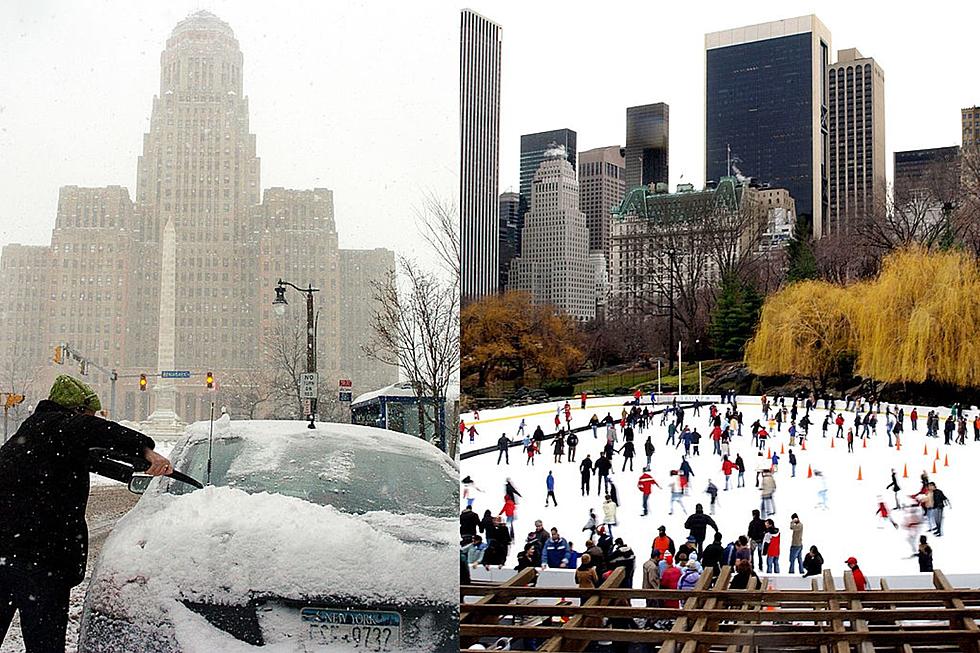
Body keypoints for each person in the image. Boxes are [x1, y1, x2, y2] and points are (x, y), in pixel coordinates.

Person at [0, 376, 173, 653]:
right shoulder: (62, 425)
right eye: (90, 413)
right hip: (42, 561)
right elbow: (93, 430)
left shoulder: (35, 434)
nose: (92, 418)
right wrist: (146, 449)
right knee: (44, 644)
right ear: (78, 410)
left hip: (7, 556)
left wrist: (133, 470)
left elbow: (91, 459)